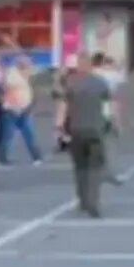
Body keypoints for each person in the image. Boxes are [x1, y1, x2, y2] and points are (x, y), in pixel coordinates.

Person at [54, 54, 116, 218]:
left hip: (76, 130)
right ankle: (93, 202)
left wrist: (59, 127)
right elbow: (108, 104)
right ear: (90, 66)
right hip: (96, 129)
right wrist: (112, 123)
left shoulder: (71, 83)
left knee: (80, 167)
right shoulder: (100, 82)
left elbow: (63, 105)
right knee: (95, 167)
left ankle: (83, 200)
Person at [0, 55, 42, 165]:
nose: (30, 67)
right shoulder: (12, 75)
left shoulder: (25, 75)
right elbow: (8, 92)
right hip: (12, 109)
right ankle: (2, 157)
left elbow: (37, 71)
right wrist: (16, 106)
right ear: (21, 65)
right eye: (28, 65)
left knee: (28, 134)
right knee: (9, 135)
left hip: (24, 109)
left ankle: (36, 156)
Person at [91, 53, 126, 184]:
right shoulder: (112, 76)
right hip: (106, 111)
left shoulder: (89, 75)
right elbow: (115, 97)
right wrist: (118, 120)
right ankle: (109, 173)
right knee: (109, 143)